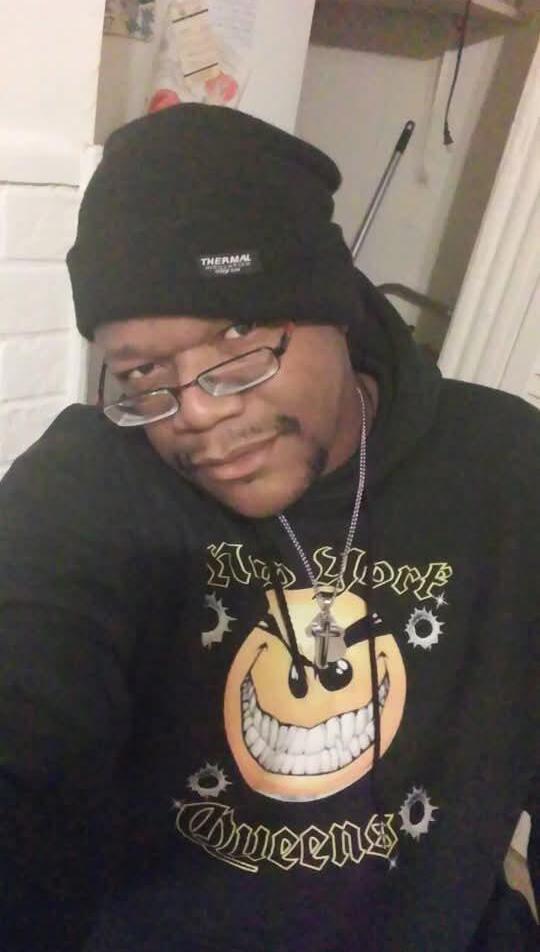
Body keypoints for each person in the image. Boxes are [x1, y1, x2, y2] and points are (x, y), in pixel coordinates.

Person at [0, 103, 538, 952]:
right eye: (145, 372)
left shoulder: (511, 469)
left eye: (237, 335)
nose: (198, 412)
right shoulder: (88, 485)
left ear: (334, 306)